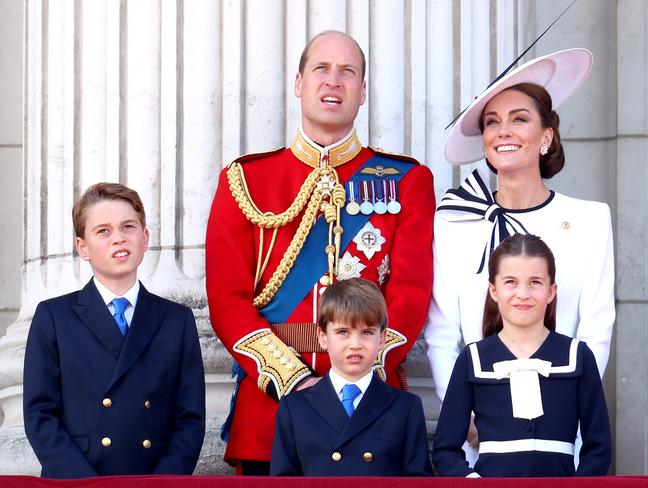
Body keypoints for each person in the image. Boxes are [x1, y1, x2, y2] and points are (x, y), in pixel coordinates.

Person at [206, 30, 434, 474]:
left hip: (371, 410)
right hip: (270, 410)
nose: (334, 81)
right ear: (298, 83)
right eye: (321, 70)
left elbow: (410, 293)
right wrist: (292, 380)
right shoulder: (245, 180)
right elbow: (226, 299)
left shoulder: (407, 180)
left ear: (362, 91)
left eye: (347, 72)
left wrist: (359, 376)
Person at [425, 49, 615, 456]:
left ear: (546, 136)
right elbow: (441, 334)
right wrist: (465, 414)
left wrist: (567, 410)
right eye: (493, 122)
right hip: (481, 433)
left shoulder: (590, 219)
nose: (503, 131)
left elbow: (596, 329)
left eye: (519, 119)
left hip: (565, 433)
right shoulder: (454, 221)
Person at [23, 183, 206, 478]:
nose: (119, 238)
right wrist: (85, 485)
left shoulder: (177, 320)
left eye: (128, 227)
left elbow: (190, 420)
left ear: (144, 238)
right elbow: (40, 415)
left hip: (153, 482)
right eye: (103, 231)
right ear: (83, 247)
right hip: (77, 482)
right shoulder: (54, 317)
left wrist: (161, 485)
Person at [432, 234, 611, 477]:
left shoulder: (578, 356)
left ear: (551, 291)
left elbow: (599, 449)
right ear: (493, 291)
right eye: (511, 282)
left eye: (535, 282)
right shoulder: (472, 358)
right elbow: (445, 450)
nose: (523, 293)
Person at [270, 278, 432, 476]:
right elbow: (283, 480)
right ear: (322, 337)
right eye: (343, 332)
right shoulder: (294, 408)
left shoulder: (405, 407)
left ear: (382, 338)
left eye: (366, 332)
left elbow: (418, 480)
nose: (355, 344)